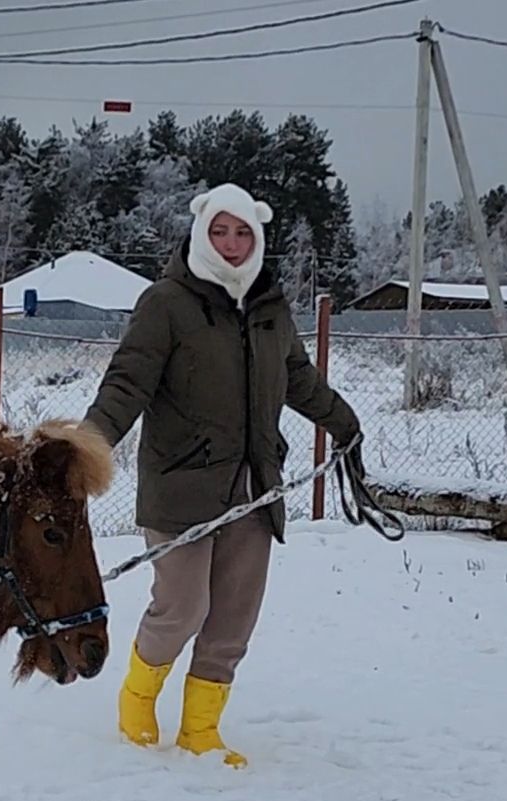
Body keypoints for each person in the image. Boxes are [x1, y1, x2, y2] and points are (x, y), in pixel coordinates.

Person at [80, 182, 365, 769]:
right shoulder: (167, 303)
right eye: (220, 231)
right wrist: (84, 448)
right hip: (181, 486)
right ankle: (137, 704)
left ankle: (200, 730)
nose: (232, 244)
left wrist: (344, 423)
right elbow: (127, 383)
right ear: (199, 234)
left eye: (243, 233)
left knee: (234, 614)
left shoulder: (270, 308)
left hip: (254, 488)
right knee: (182, 607)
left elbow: (299, 381)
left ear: (258, 238)